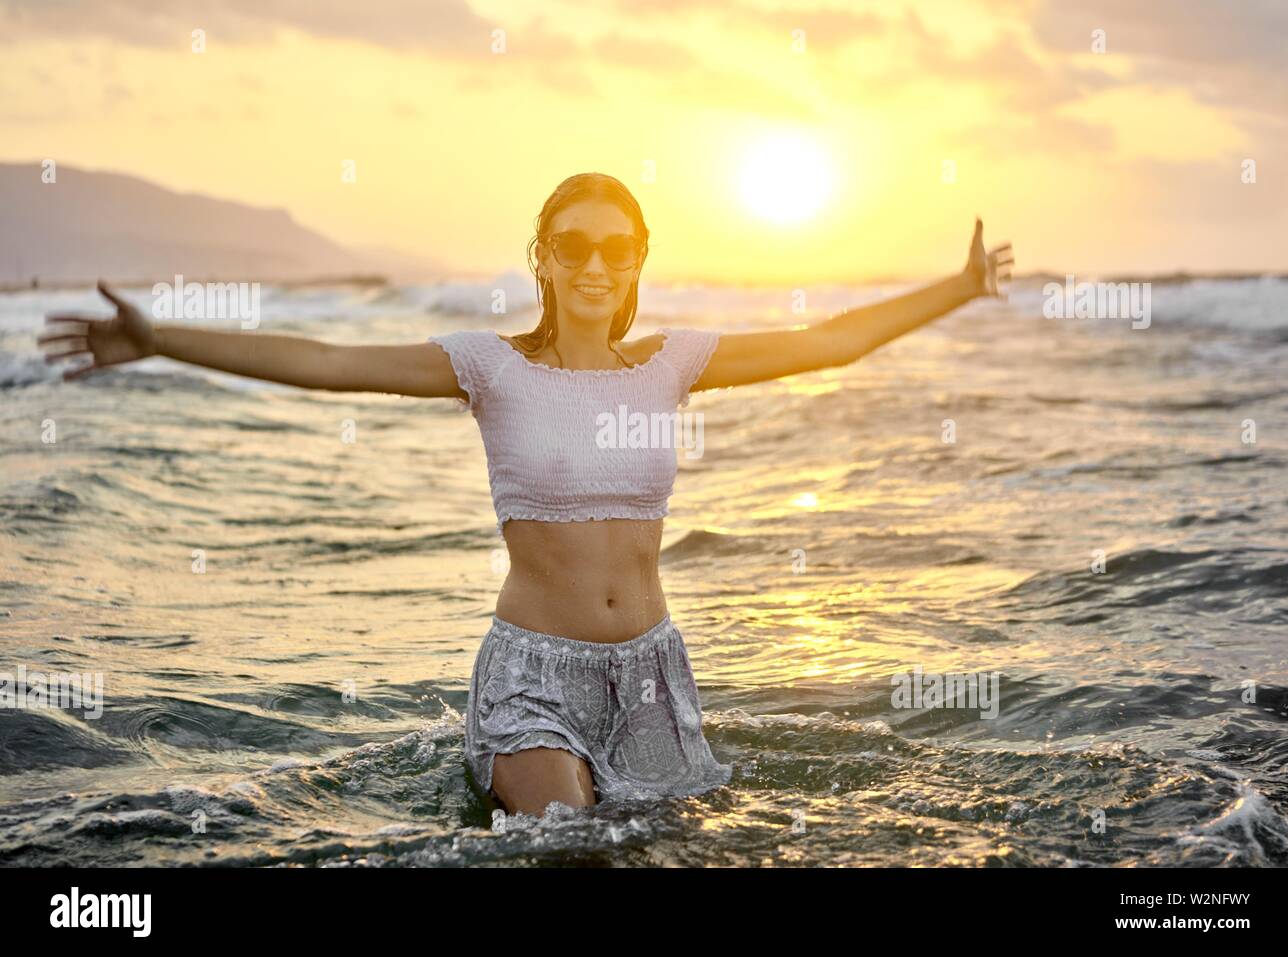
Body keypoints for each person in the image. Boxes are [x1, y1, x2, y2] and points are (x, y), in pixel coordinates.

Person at [39, 172, 1012, 816]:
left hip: (651, 677)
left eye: (615, 247)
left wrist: (959, 288)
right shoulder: (488, 367)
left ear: (637, 260)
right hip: (533, 674)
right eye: (574, 245)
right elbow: (326, 359)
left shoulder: (674, 362)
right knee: (566, 843)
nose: (595, 264)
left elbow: (831, 340)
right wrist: (164, 337)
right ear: (541, 255)